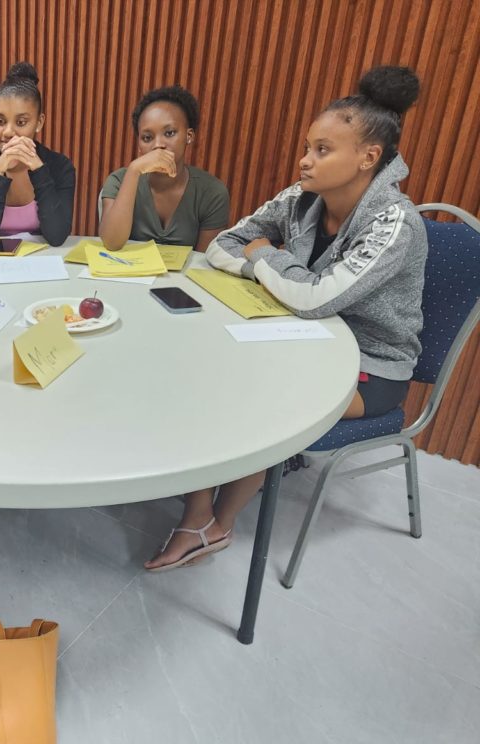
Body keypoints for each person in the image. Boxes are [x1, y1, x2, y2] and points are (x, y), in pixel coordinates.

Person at [145, 66, 426, 571]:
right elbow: (222, 246)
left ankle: (214, 524)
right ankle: (201, 498)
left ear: (368, 157)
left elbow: (314, 298)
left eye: (322, 150)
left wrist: (263, 256)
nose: (305, 160)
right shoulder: (300, 198)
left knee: (257, 399)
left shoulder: (395, 222)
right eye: (307, 147)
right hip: (300, 335)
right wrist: (264, 263)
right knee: (202, 365)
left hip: (369, 365)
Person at [99, 85, 229, 252]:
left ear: (189, 136)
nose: (158, 145)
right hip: (127, 269)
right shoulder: (118, 180)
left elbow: (204, 261)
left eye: (169, 133)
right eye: (147, 137)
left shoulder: (212, 192)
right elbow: (111, 243)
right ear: (139, 145)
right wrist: (134, 170)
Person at [0, 62, 75, 248]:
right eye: (0, 121)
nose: (7, 132)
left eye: (21, 122)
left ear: (39, 122)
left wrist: (39, 170)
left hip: (43, 260)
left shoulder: (60, 167)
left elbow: (57, 237)